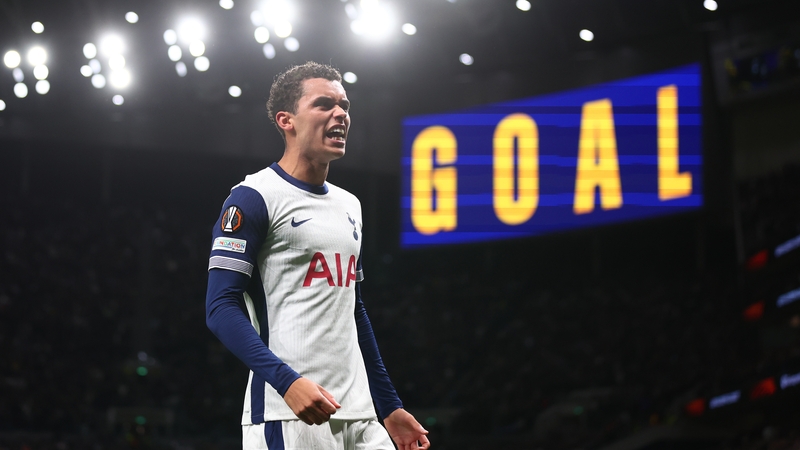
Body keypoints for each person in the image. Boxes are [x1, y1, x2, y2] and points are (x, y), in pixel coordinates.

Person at [205, 61, 430, 450]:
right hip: (288, 414)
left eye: (344, 106)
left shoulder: (350, 205)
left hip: (360, 414)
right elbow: (220, 307)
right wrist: (287, 383)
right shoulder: (253, 197)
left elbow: (354, 309)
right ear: (286, 120)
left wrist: (389, 406)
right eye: (324, 104)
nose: (340, 114)